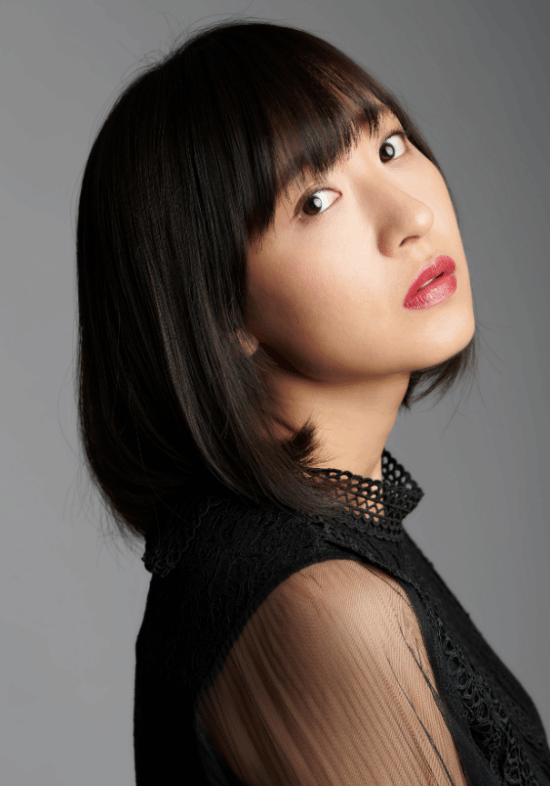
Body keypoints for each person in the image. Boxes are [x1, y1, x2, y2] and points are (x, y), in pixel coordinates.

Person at [75, 18, 550, 786]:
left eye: (389, 147)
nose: (412, 217)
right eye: (317, 201)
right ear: (220, 311)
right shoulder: (321, 606)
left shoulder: (325, 542)